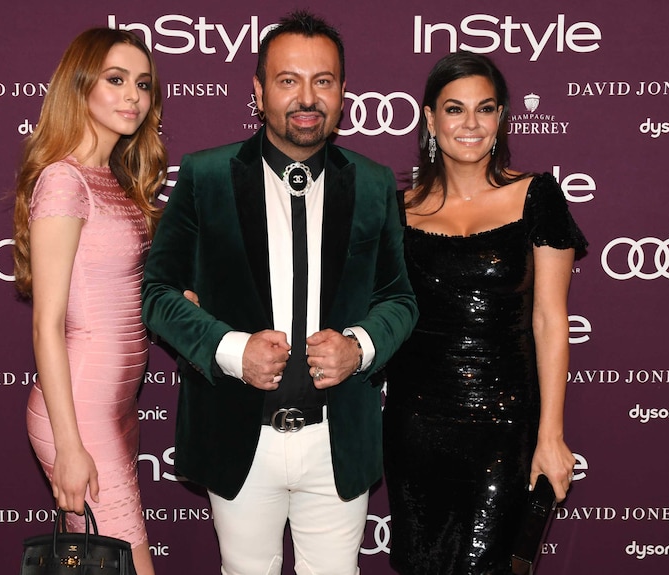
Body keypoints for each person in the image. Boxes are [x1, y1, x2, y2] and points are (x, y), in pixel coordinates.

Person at [141, 10, 417, 575]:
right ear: (259, 90)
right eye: (288, 80)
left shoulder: (373, 183)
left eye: (324, 80)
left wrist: (358, 347)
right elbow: (157, 292)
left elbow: (400, 299)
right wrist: (229, 348)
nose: (306, 97)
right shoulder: (205, 176)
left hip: (336, 438)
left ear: (342, 91)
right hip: (239, 432)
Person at [383, 51, 587, 575]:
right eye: (454, 109)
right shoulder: (398, 209)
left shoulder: (536, 196)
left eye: (485, 108)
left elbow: (549, 319)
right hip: (416, 423)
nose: (470, 124)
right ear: (429, 118)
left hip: (505, 422)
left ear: (501, 118)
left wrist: (551, 434)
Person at [12, 27, 166, 575]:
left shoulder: (112, 180)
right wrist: (71, 446)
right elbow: (47, 326)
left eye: (143, 84)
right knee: (132, 566)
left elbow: (122, 291)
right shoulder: (63, 181)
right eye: (116, 80)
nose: (133, 96)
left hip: (116, 405)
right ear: (80, 88)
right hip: (77, 413)